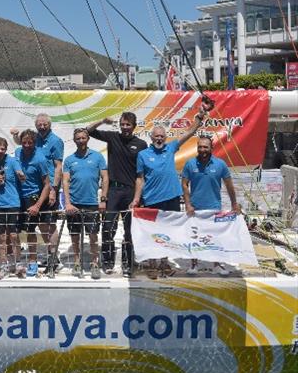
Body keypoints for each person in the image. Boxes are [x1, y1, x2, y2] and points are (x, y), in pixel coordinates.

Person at [131, 104, 207, 278]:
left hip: (171, 198)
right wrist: (136, 199)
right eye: (156, 136)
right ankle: (152, 265)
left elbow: (189, 133)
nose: (159, 139)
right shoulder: (143, 155)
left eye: (162, 136)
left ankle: (164, 263)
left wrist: (199, 118)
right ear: (151, 138)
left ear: (165, 138)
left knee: (167, 233)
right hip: (151, 199)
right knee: (153, 233)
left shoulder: (170, 148)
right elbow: (140, 179)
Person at [86, 112, 148, 277]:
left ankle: (128, 263)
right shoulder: (113, 137)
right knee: (107, 228)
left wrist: (137, 197)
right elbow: (88, 131)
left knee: (129, 231)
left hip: (130, 192)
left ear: (134, 126)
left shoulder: (142, 145)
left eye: (128, 125)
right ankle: (107, 262)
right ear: (119, 125)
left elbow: (141, 175)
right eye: (123, 124)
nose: (125, 127)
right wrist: (102, 120)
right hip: (113, 191)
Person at [181, 136, 241, 276]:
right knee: (194, 236)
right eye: (200, 147)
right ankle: (194, 264)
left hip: (214, 207)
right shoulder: (190, 164)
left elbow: (229, 185)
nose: (202, 150)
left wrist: (234, 204)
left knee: (215, 237)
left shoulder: (220, 164)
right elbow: (184, 184)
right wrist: (188, 204)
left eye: (205, 147)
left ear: (211, 148)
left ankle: (217, 264)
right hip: (194, 209)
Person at [12, 113, 64, 273]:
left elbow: (58, 167)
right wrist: (15, 136)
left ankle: (54, 258)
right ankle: (45, 256)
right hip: (30, 189)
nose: (42, 126)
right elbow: (24, 145)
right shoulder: (36, 140)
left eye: (44, 124)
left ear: (50, 124)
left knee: (48, 225)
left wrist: (54, 190)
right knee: (32, 227)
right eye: (39, 124)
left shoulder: (55, 141)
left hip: (47, 187)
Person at [62, 128, 108, 280]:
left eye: (83, 138)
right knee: (75, 235)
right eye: (78, 139)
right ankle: (77, 262)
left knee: (93, 235)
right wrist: (67, 203)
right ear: (74, 140)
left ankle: (95, 263)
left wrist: (103, 199)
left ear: (88, 139)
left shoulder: (98, 156)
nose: (81, 141)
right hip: (74, 204)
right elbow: (66, 181)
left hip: (92, 204)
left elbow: (105, 178)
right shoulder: (69, 160)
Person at [13, 129, 51, 278]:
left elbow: (47, 185)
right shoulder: (17, 152)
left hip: (32, 197)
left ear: (35, 143)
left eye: (30, 142)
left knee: (30, 231)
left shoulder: (40, 159)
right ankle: (17, 262)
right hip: (16, 197)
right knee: (15, 232)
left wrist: (37, 205)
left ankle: (33, 261)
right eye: (24, 142)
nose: (27, 145)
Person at [0, 137, 26, 280]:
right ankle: (4, 266)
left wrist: (21, 175)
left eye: (2, 149)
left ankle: (17, 264)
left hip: (12, 203)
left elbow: (21, 175)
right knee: (1, 237)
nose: (0, 151)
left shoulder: (12, 161)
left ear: (6, 149)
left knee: (14, 236)